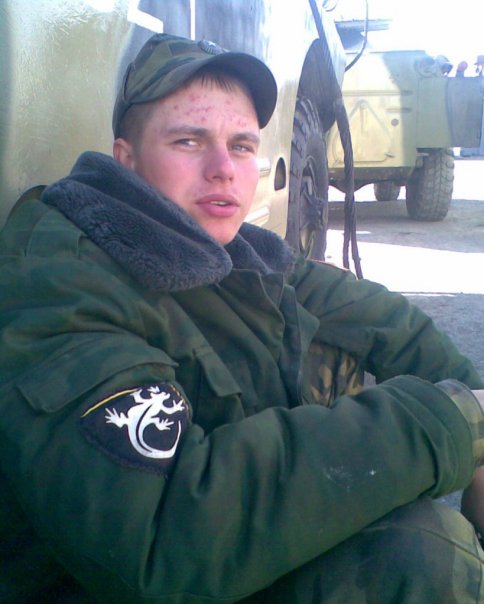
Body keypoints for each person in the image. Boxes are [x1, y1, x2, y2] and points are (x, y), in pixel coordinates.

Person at [0, 33, 483, 603]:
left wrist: (473, 408)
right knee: (420, 557)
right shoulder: (62, 281)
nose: (223, 169)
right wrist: (444, 423)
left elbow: (379, 317)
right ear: (126, 161)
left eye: (243, 145)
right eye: (188, 140)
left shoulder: (229, 251)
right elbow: (161, 536)